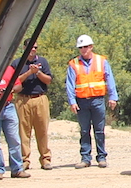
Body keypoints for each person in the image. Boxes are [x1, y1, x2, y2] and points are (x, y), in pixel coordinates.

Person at [66, 35, 118, 168]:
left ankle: (101, 157)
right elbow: (70, 84)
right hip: (81, 101)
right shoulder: (74, 64)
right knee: (84, 130)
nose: (83, 50)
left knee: (99, 130)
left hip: (97, 100)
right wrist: (72, 101)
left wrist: (113, 97)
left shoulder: (101, 61)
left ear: (91, 47)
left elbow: (109, 79)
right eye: (81, 47)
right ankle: (85, 158)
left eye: (86, 47)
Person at [15, 42, 55, 172]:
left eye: (35, 47)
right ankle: (24, 160)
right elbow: (14, 81)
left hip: (40, 99)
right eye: (31, 47)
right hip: (23, 100)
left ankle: (45, 159)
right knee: (23, 132)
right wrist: (28, 72)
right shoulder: (17, 63)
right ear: (24, 48)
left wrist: (37, 72)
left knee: (42, 130)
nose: (33, 50)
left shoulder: (42, 61)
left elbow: (48, 80)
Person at [0, 62, 24, 179]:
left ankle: (17, 169)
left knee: (14, 138)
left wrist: (10, 90)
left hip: (8, 106)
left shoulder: (10, 69)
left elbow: (19, 86)